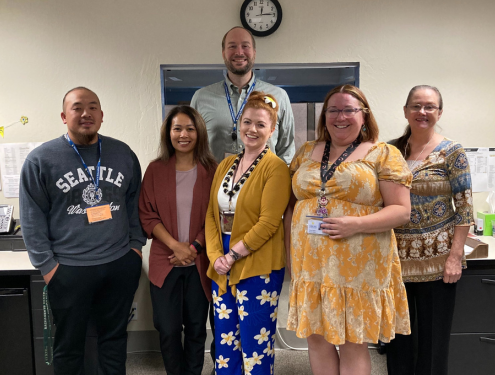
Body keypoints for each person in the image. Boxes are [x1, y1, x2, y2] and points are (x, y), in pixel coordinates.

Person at [285, 84, 412, 375]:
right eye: (333, 110)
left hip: (359, 265)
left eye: (349, 109)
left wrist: (354, 224)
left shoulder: (383, 154)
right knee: (316, 338)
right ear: (324, 116)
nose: (340, 116)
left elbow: (401, 211)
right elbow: (291, 207)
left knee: (353, 340)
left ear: (364, 116)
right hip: (311, 263)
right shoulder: (305, 152)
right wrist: (289, 254)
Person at [19, 87, 145, 374]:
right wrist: (49, 268)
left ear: (102, 115)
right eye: (77, 108)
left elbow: (134, 203)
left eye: (93, 107)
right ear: (64, 116)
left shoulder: (122, 153)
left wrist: (135, 249)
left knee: (114, 341)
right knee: (68, 346)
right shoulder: (41, 160)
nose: (86, 113)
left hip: (119, 263)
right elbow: (32, 218)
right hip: (69, 269)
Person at [386, 85, 473, 375]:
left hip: (438, 264)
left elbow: (464, 209)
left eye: (429, 107)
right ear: (405, 111)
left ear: (439, 112)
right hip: (394, 263)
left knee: (433, 345)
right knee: (399, 344)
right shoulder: (390, 151)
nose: (422, 112)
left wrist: (454, 256)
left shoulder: (452, 152)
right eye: (416, 106)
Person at [205, 91, 291, 374]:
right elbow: (211, 215)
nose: (252, 129)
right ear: (239, 125)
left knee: (256, 347)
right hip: (222, 264)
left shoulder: (276, 168)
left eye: (260, 124)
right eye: (247, 122)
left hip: (257, 263)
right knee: (225, 345)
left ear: (272, 130)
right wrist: (216, 255)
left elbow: (269, 222)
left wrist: (232, 254)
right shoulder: (225, 165)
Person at [139, 106, 217, 375]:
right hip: (166, 261)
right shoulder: (155, 169)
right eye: (177, 129)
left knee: (196, 327)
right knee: (168, 328)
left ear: (199, 133)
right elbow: (146, 214)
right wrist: (176, 246)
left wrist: (194, 247)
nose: (183, 134)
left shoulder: (213, 170)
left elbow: (216, 216)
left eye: (190, 128)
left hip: (200, 260)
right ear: (168, 133)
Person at [190, 26, 295, 164]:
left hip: (265, 183)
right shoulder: (201, 98)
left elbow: (286, 152)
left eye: (245, 46)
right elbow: (192, 149)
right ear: (223, 53)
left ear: (254, 52)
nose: (239, 52)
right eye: (232, 46)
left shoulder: (279, 96)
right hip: (216, 183)